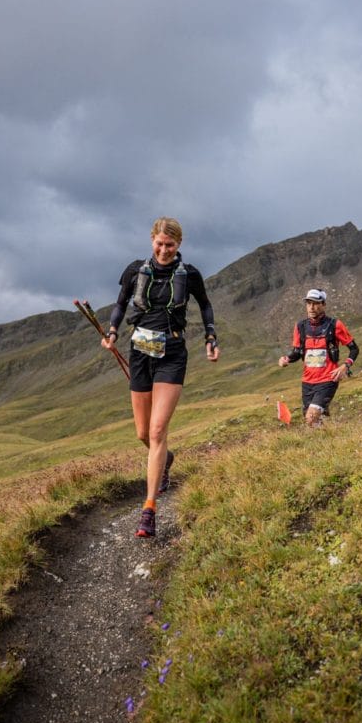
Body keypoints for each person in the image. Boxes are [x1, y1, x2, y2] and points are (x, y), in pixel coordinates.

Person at [102, 217, 219, 538]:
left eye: (170, 245)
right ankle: (166, 459)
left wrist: (211, 338)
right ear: (151, 240)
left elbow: (206, 306)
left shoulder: (190, 274)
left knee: (156, 430)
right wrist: (112, 331)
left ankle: (149, 509)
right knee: (142, 433)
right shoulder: (134, 270)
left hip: (172, 352)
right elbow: (121, 304)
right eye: (159, 243)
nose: (164, 250)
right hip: (140, 351)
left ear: (178, 244)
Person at [278, 289, 359, 426]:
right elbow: (297, 352)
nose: (311, 307)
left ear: (323, 304)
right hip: (307, 381)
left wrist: (345, 366)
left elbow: (354, 349)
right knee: (313, 422)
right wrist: (286, 359)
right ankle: (329, 439)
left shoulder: (335, 325)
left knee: (311, 418)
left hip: (328, 379)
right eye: (309, 303)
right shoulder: (300, 327)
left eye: (315, 303)